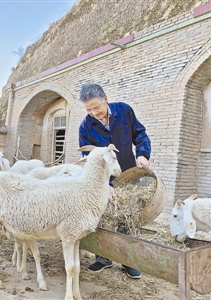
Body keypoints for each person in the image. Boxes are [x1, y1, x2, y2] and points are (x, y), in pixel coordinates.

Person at [78, 83, 151, 279]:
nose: (93, 112)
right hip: (103, 179)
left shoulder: (124, 111)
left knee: (128, 215)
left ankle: (127, 260)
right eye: (88, 109)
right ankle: (102, 258)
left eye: (96, 107)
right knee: (103, 216)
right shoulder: (85, 127)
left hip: (128, 173)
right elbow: (90, 162)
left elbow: (140, 134)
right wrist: (105, 185)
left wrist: (143, 155)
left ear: (106, 100)